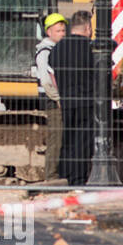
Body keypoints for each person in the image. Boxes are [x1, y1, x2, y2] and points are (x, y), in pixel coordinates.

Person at [50, 10, 96, 186]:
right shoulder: (92, 48)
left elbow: (52, 73)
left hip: (67, 100)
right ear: (87, 27)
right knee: (82, 142)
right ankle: (78, 180)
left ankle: (65, 176)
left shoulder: (58, 48)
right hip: (87, 101)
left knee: (67, 139)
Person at [33, 12, 68, 183]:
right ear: (49, 32)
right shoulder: (45, 52)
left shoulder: (56, 50)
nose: (62, 33)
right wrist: (58, 98)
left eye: (63, 30)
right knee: (56, 138)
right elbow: (47, 81)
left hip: (57, 100)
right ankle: (51, 177)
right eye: (58, 31)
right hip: (54, 102)